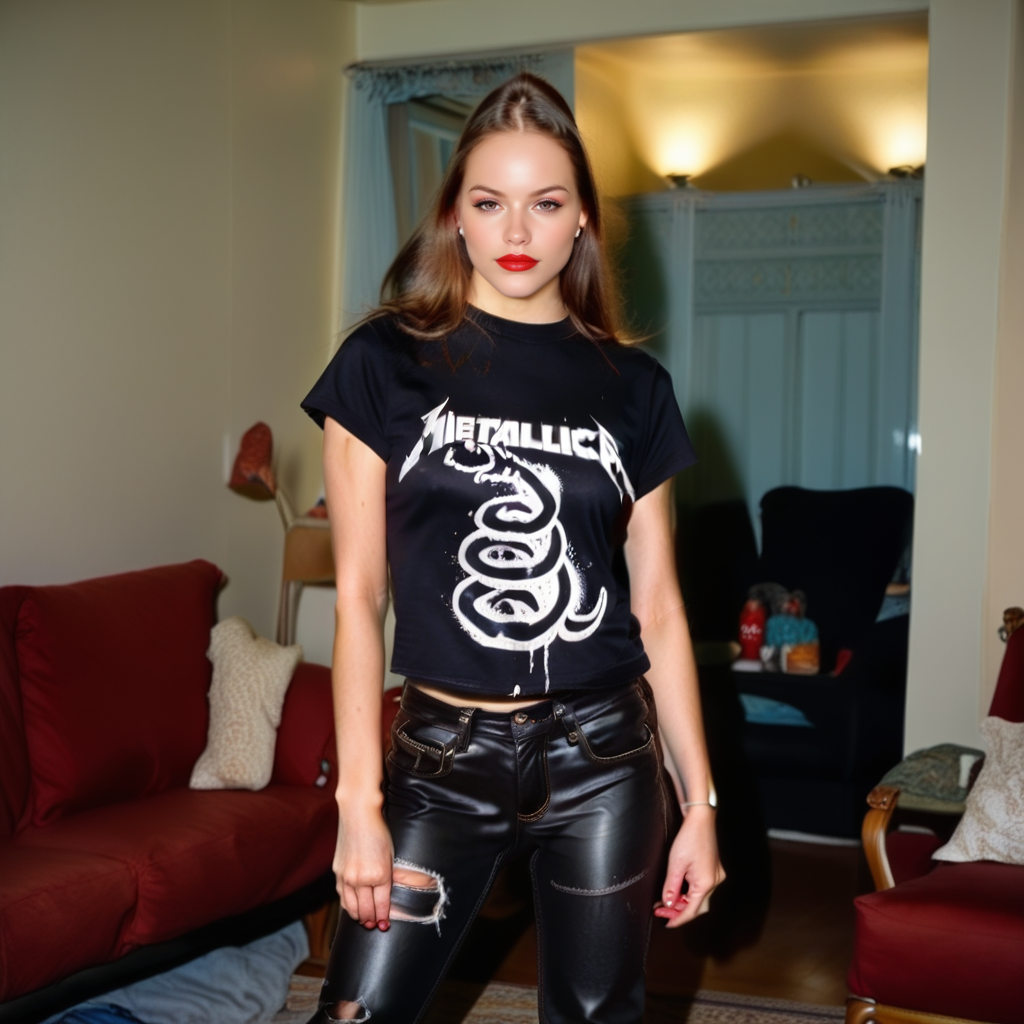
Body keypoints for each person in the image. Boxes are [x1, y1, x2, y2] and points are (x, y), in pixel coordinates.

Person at [300, 72, 724, 1024]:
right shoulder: (382, 363)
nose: (518, 231)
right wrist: (358, 804)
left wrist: (699, 804)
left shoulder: (634, 386)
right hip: (440, 759)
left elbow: (658, 607)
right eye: (490, 203)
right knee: (357, 1013)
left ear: (583, 223)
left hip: (606, 756)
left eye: (548, 203)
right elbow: (359, 596)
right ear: (455, 216)